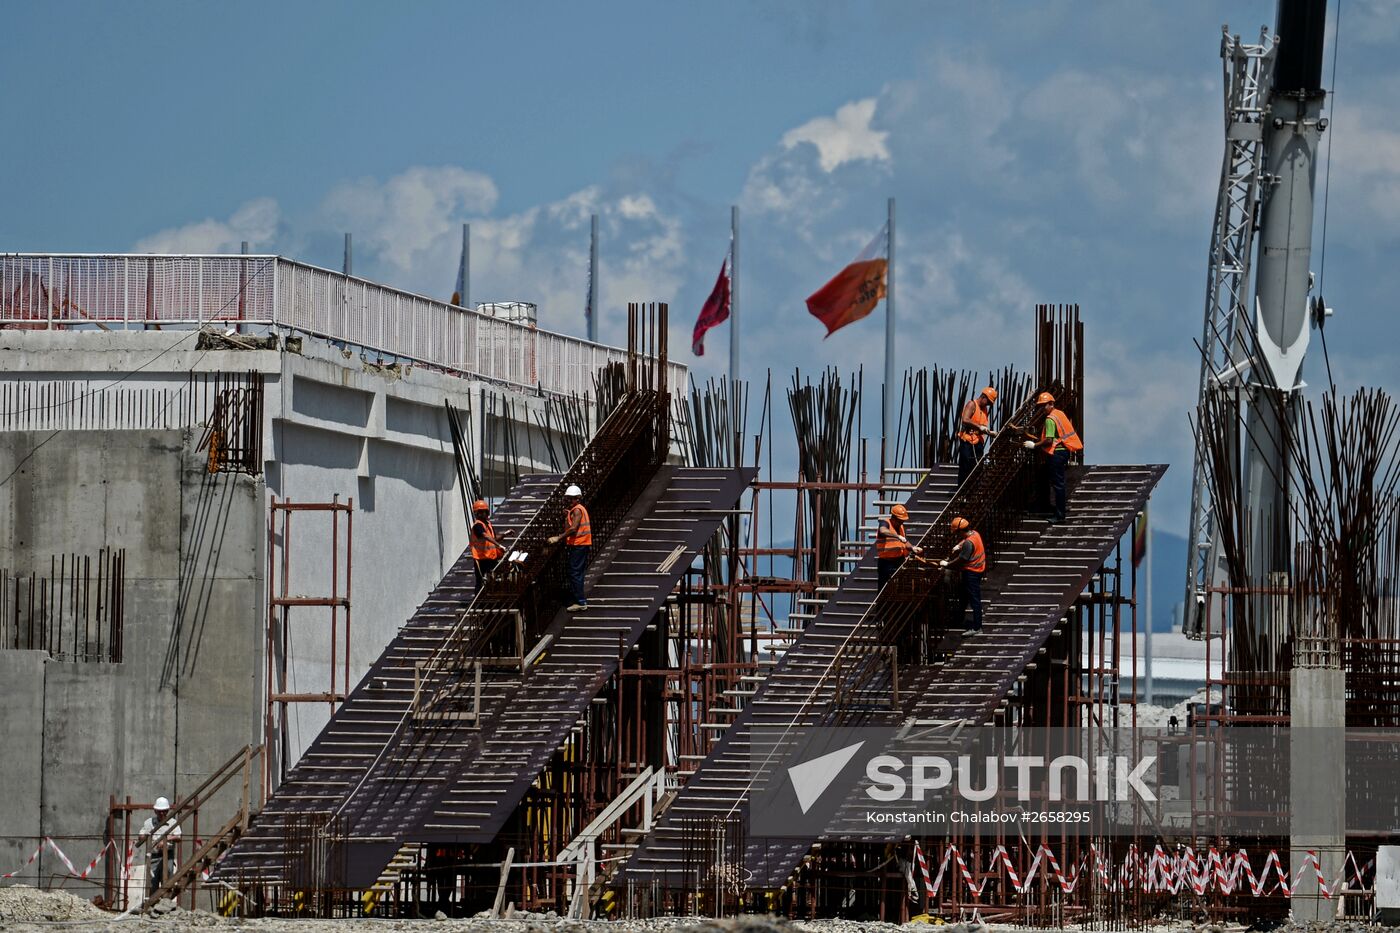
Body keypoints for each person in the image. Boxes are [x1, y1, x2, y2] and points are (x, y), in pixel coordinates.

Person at [1021, 391, 1083, 524]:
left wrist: (1034, 445)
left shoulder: (1050, 419)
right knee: (1059, 484)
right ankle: (1059, 512)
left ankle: (1060, 515)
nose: (1042, 409)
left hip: (1057, 454)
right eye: (1041, 406)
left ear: (1051, 404)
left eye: (1044, 406)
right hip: (1064, 451)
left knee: (1058, 485)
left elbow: (1049, 440)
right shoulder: (1059, 414)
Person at [547, 484, 591, 611]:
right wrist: (567, 516)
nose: (569, 501)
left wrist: (558, 537)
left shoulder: (577, 510)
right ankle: (579, 599)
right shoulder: (574, 510)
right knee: (577, 572)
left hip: (579, 544)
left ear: (578, 498)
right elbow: (569, 526)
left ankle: (580, 602)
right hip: (579, 545)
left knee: (574, 572)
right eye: (568, 499)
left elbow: (573, 529)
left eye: (571, 499)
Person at [940, 517, 987, 633]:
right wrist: (959, 545)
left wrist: (947, 564)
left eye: (957, 533)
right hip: (978, 570)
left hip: (972, 573)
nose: (956, 535)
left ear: (960, 531)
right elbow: (966, 540)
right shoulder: (975, 534)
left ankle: (977, 627)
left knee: (974, 599)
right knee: (963, 596)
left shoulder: (968, 544)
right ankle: (959, 619)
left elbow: (961, 560)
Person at [137, 796, 182, 893]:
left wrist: (165, 839)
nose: (162, 813)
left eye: (164, 811)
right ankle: (153, 902)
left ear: (168, 810)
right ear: (155, 811)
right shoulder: (149, 823)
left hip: (167, 856)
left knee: (167, 879)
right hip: (153, 856)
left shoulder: (172, 823)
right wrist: (143, 836)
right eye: (160, 811)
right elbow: (141, 835)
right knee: (153, 881)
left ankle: (166, 901)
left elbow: (178, 837)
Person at [956, 386, 998, 487]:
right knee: (965, 465)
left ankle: (972, 489)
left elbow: (982, 426)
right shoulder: (972, 404)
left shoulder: (984, 410)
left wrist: (989, 432)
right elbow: (965, 419)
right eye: (988, 402)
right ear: (983, 397)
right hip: (967, 441)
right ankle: (962, 491)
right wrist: (979, 427)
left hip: (978, 442)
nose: (988, 404)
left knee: (977, 467)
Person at [875, 504, 922, 592]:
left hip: (899, 561)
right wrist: (897, 536)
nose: (901, 523)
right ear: (894, 518)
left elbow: (905, 541)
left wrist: (912, 547)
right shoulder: (885, 523)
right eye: (900, 521)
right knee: (884, 589)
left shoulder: (901, 527)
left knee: (900, 588)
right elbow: (883, 531)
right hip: (886, 562)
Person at [469, 499, 503, 590]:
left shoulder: (488, 524)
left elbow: (493, 538)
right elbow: (485, 536)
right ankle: (478, 602)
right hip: (481, 559)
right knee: (481, 582)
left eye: (485, 512)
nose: (483, 514)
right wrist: (498, 545)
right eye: (481, 512)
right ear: (476, 514)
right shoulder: (478, 525)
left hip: (491, 558)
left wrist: (505, 534)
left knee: (493, 580)